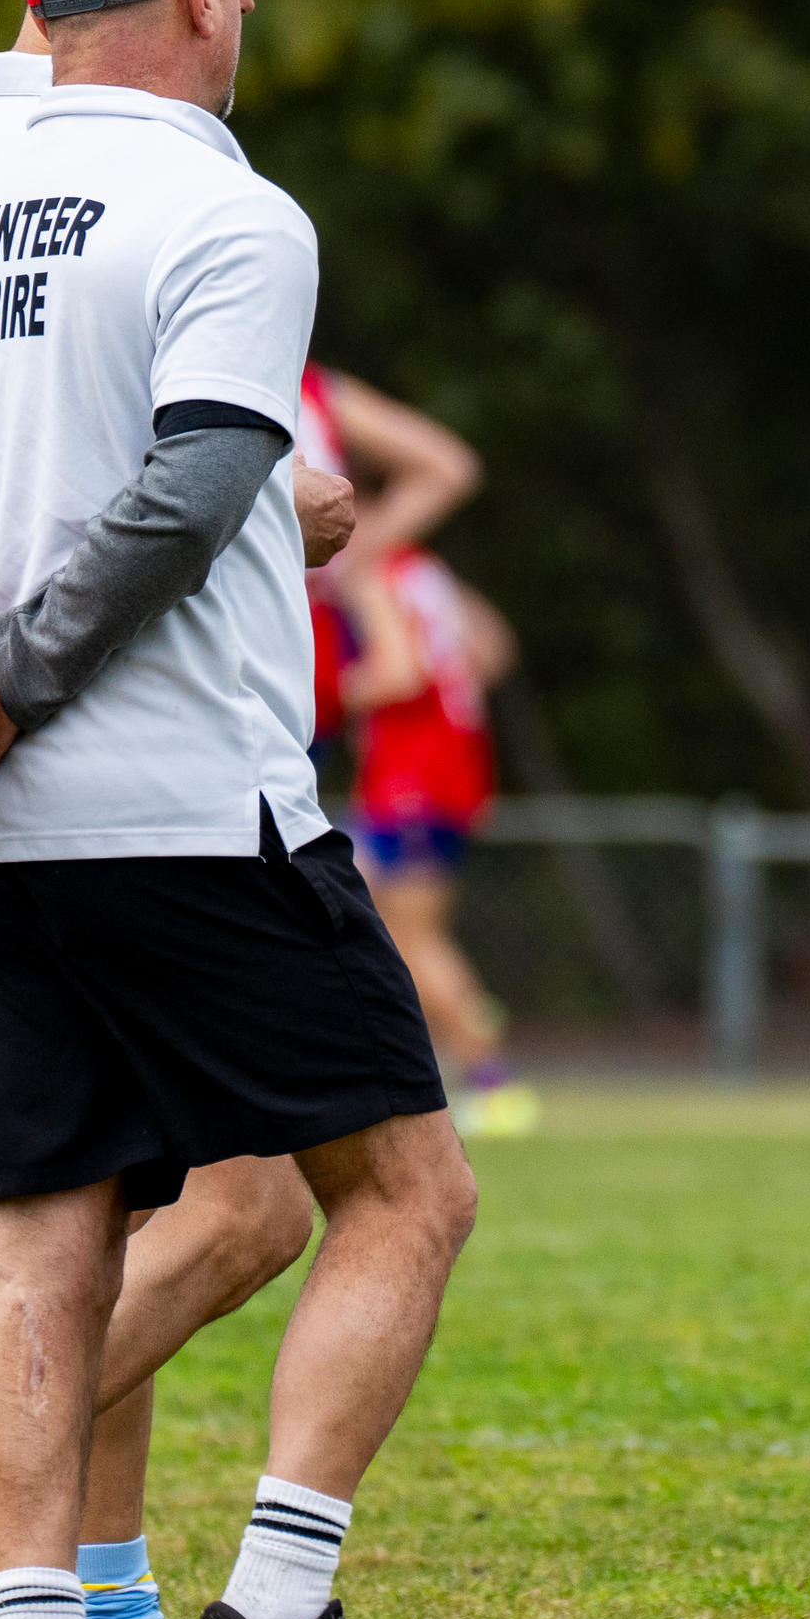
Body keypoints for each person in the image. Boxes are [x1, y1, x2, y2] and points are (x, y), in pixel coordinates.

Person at [0, 0, 485, 1619]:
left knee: (57, 1220)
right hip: (186, 797)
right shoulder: (229, 207)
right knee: (401, 1191)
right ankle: (276, 1618)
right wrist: (24, 672)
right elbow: (199, 485)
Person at [331, 397, 538, 1138]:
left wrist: (323, 693)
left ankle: (493, 1075)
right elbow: (492, 647)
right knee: (379, 925)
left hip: (412, 774)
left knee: (413, 937)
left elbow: (399, 670)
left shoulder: (372, 569)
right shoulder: (429, 570)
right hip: (454, 765)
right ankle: (434, 1060)